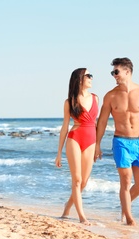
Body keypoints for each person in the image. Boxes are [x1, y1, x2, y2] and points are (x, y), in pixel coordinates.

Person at [94, 57, 139, 226]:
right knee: (126, 179)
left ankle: (124, 206)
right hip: (120, 141)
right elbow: (102, 122)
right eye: (112, 72)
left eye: (116, 72)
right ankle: (129, 218)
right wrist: (97, 144)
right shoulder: (111, 96)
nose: (114, 75)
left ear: (127, 72)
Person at [55, 68, 98, 225]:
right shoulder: (70, 101)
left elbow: (97, 124)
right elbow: (65, 127)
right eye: (88, 76)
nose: (91, 78)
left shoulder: (96, 99)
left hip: (91, 140)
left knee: (84, 181)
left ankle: (68, 206)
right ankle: (82, 217)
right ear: (79, 79)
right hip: (75, 138)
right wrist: (59, 153)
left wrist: (98, 145)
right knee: (77, 180)